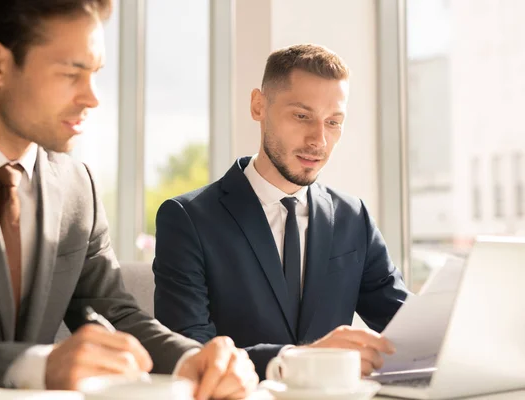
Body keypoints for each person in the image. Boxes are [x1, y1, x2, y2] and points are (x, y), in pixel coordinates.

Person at [0, 1, 258, 399]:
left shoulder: (76, 185)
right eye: (71, 74)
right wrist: (35, 366)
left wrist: (194, 360)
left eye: (95, 74)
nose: (92, 98)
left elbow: (114, 312)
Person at [153, 44, 410, 379]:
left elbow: (406, 329)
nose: (319, 140)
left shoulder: (352, 217)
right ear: (259, 106)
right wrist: (299, 360)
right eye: (302, 116)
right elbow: (190, 353)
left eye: (333, 122)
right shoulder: (188, 219)